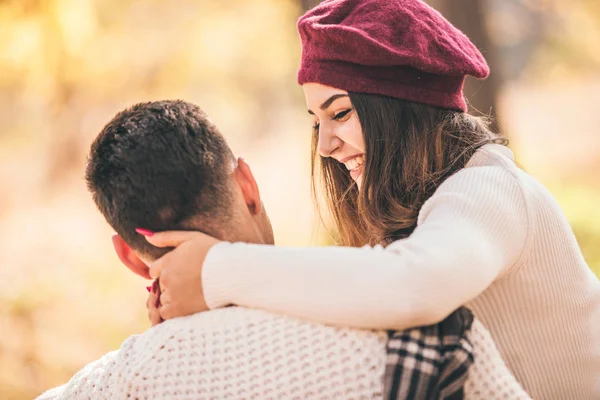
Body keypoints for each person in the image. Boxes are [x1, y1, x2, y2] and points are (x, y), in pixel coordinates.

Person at [138, 1, 600, 399]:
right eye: (317, 122)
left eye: (340, 112)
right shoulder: (415, 215)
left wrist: (218, 269)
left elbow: (412, 286)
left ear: (401, 110)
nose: (324, 147)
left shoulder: (488, 189)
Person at [37, 100, 528, 399]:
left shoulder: (123, 381)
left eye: (339, 114)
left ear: (128, 255)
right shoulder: (428, 343)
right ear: (247, 186)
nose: (326, 147)